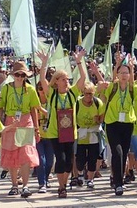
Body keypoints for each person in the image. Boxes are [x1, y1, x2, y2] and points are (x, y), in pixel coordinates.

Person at [36, 50, 88, 198]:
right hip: (55, 132)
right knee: (61, 159)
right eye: (64, 79)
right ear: (57, 81)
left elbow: (83, 77)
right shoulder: (51, 94)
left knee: (69, 161)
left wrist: (79, 61)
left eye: (68, 79)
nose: (67, 81)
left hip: (71, 132)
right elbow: (42, 79)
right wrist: (44, 62)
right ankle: (61, 186)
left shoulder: (72, 93)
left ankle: (63, 184)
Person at [0, 61, 41, 198]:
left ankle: (25, 186)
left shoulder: (30, 89)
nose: (20, 77)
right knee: (11, 153)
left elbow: (34, 110)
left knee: (26, 154)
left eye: (22, 75)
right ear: (13, 75)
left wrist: (37, 129)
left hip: (26, 122)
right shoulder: (6, 89)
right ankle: (14, 185)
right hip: (11, 122)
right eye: (17, 75)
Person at [97, 54, 137, 196]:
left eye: (127, 73)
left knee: (124, 153)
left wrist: (133, 69)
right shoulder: (112, 87)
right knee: (117, 152)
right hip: (113, 123)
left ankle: (119, 180)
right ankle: (118, 183)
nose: (124, 75)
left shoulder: (133, 89)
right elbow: (102, 94)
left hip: (127, 124)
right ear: (117, 74)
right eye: (122, 73)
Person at [75, 82, 105, 189]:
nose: (88, 96)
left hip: (93, 133)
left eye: (91, 94)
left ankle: (90, 179)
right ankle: (80, 173)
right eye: (86, 94)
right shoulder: (77, 103)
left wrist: (98, 120)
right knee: (80, 159)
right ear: (83, 93)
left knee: (93, 158)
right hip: (81, 134)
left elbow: (102, 118)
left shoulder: (97, 103)